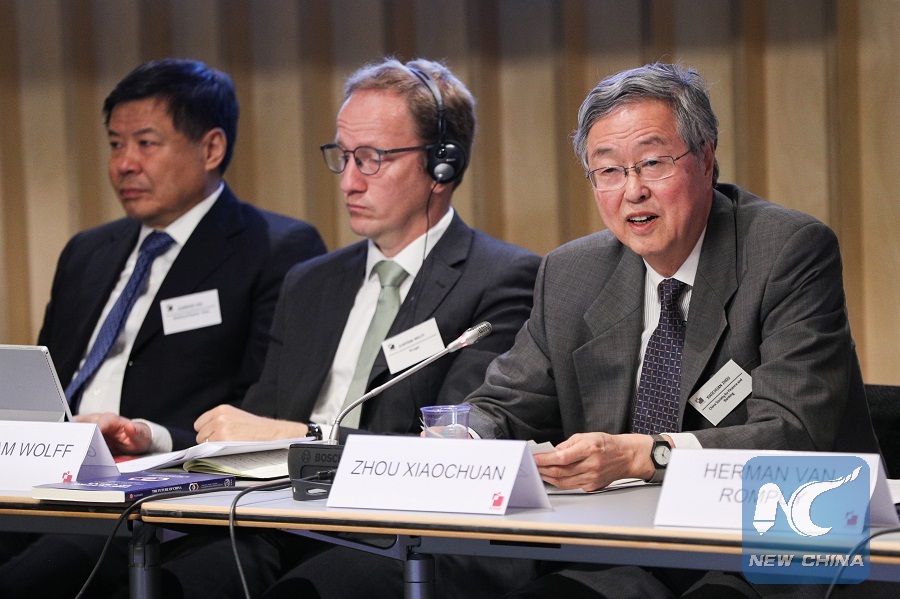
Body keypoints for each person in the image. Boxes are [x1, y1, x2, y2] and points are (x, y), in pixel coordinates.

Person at [459, 62, 881, 599]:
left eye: (653, 163)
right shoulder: (571, 273)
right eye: (608, 171)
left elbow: (794, 432)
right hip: (623, 549)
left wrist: (649, 454)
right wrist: (463, 440)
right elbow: (505, 403)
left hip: (778, 541)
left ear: (705, 158)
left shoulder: (786, 251)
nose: (632, 190)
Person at [187, 57, 542, 599]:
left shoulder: (502, 278)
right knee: (173, 576)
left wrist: (302, 439)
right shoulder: (310, 282)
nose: (350, 181)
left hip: (408, 534)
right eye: (344, 156)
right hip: (284, 513)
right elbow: (258, 422)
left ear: (442, 166)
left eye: (373, 158)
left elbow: (450, 456)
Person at [0, 57, 326, 598]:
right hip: (41, 476)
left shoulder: (275, 249)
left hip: (156, 494)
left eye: (145, 144)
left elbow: (262, 410)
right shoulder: (87, 251)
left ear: (211, 148)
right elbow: (50, 385)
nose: (123, 164)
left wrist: (151, 435)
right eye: (115, 144)